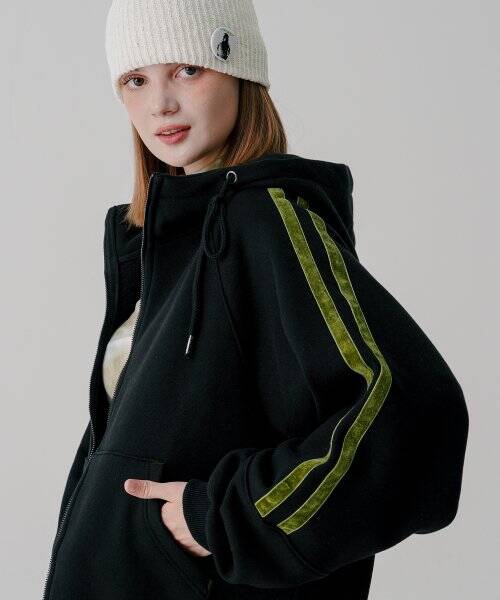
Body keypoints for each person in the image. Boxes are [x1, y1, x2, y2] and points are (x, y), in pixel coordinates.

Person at [42, 1, 469, 599]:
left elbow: (413, 418)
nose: (160, 104)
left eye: (188, 69)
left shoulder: (263, 218)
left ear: (240, 70)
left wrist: (222, 518)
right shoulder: (160, 243)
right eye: (136, 80)